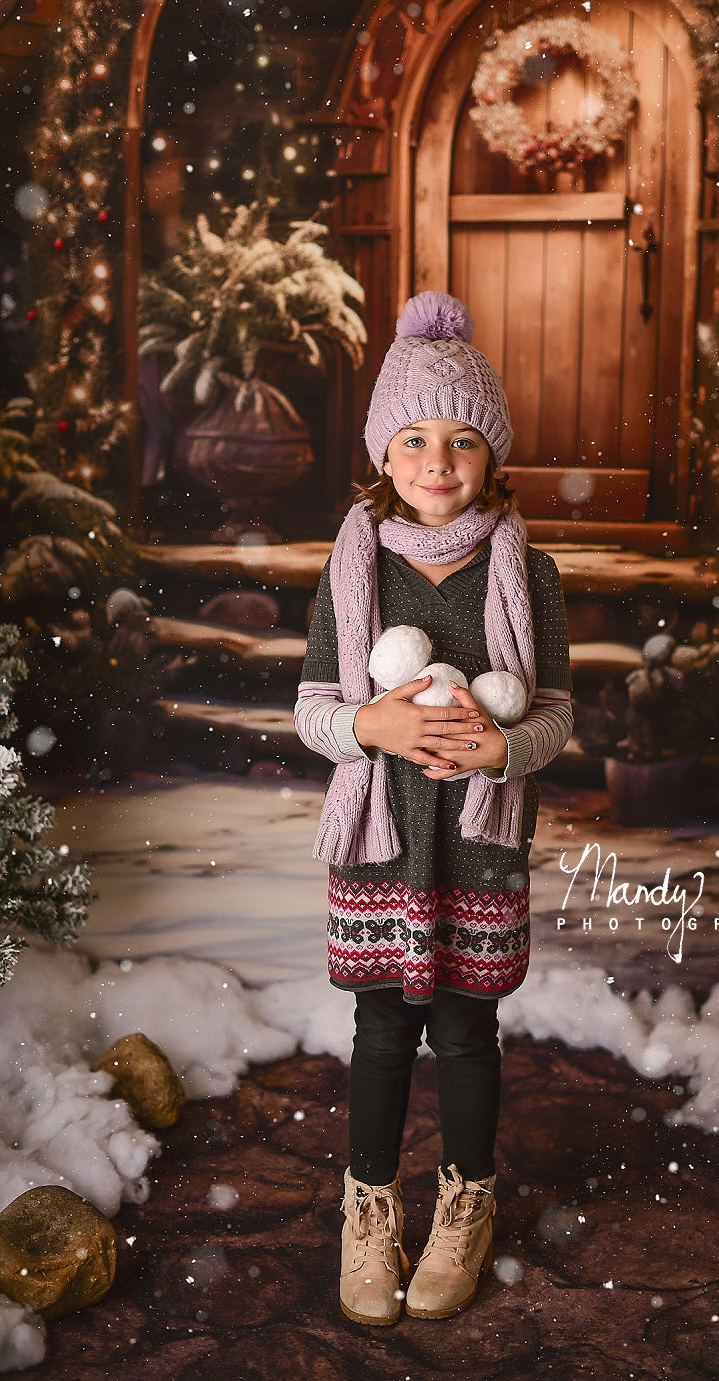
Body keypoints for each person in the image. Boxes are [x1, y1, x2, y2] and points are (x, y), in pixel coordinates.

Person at [294, 291, 572, 1326]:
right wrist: (371, 729)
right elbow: (315, 706)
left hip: (474, 844)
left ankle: (466, 1200)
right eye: (412, 438)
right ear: (383, 453)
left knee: (463, 1032)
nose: (437, 461)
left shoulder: (525, 569)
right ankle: (368, 1204)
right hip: (380, 841)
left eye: (460, 440)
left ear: (489, 457)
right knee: (378, 1028)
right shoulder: (353, 566)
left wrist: (505, 747)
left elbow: (554, 713)